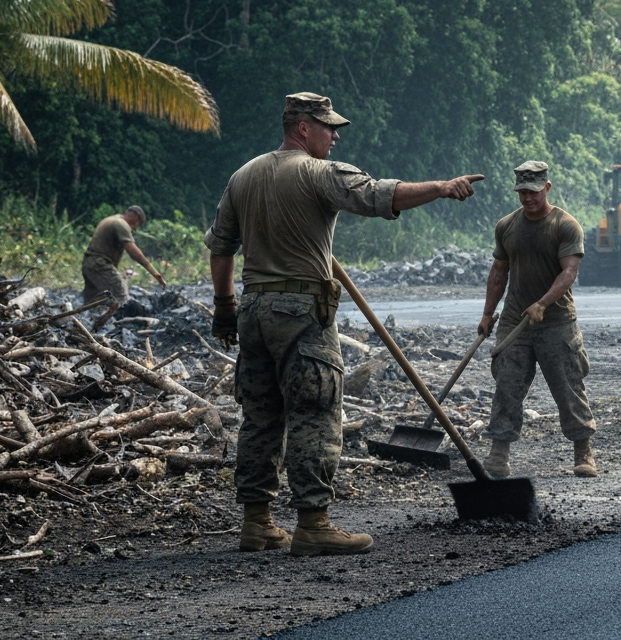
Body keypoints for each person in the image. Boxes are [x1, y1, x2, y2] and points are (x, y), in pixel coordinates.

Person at [203, 92, 484, 556]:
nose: (335, 136)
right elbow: (380, 195)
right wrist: (441, 187)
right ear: (302, 128)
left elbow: (220, 248)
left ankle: (257, 523)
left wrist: (223, 307)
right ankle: (313, 523)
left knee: (260, 416)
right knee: (315, 410)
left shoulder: (243, 175)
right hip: (301, 313)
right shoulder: (320, 173)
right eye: (328, 127)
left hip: (252, 311)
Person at [479, 161, 598, 479]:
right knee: (507, 385)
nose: (527, 198)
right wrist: (488, 314)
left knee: (568, 386)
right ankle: (498, 454)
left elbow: (569, 272)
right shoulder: (507, 226)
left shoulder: (565, 225)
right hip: (514, 320)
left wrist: (542, 304)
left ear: (546, 188)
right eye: (522, 192)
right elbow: (499, 271)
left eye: (533, 191)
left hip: (556, 322)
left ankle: (583, 451)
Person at [82, 205, 166, 329]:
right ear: (136, 219)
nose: (136, 228)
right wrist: (155, 273)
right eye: (138, 224)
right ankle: (122, 328)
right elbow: (133, 252)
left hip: (89, 264)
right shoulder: (121, 224)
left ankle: (87, 327)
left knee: (92, 302)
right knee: (120, 295)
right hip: (99, 264)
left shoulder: (111, 219)